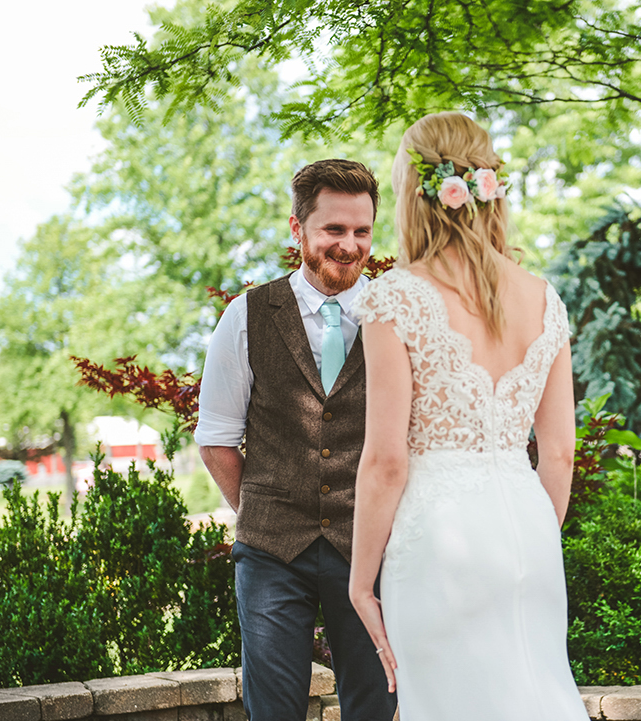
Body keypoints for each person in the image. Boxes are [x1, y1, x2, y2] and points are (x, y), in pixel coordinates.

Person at [349, 113, 589, 720]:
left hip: (438, 541)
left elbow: (384, 461)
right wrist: (536, 532)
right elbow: (559, 452)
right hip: (529, 532)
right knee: (538, 699)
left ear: (413, 192)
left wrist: (360, 580)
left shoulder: (394, 296)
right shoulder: (543, 296)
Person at [195, 159, 398, 721]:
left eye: (362, 231)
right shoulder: (247, 316)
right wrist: (264, 511)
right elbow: (215, 439)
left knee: (376, 705)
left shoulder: (396, 315)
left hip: (371, 546)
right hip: (271, 556)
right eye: (334, 230)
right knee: (275, 711)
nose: (350, 245)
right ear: (298, 230)